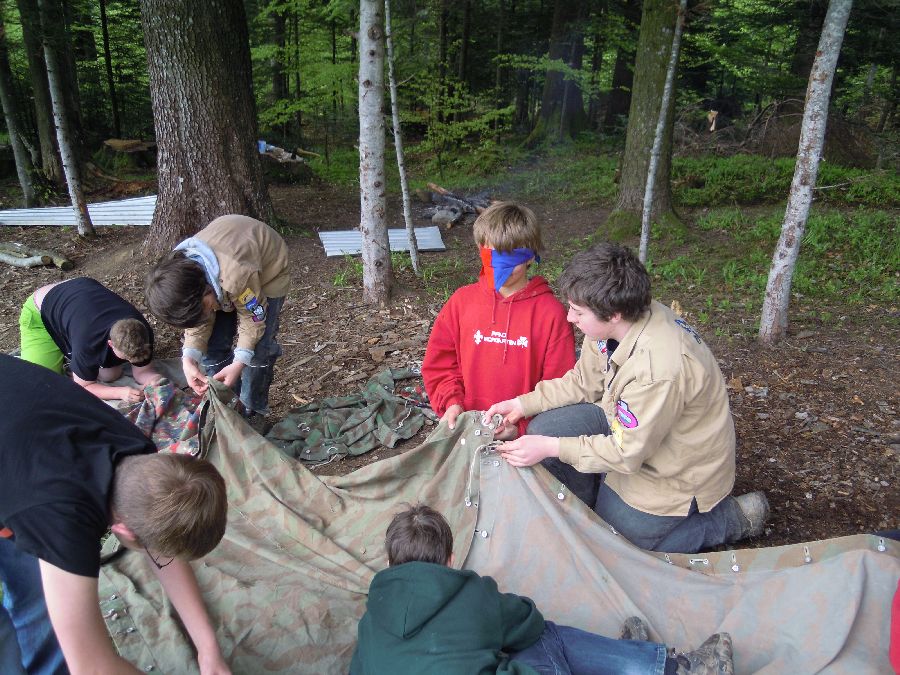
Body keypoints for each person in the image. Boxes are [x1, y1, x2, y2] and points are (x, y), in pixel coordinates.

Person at [485, 243, 769, 554]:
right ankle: (595, 506)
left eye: (578, 312)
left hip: (676, 471)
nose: (569, 318)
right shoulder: (610, 324)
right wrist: (521, 404)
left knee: (616, 547)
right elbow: (584, 381)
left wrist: (552, 448)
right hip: (631, 425)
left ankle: (730, 519)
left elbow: (627, 453)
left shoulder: (657, 368)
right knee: (546, 428)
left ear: (613, 314)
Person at [0, 354, 230, 675]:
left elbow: (160, 545)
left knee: (42, 601)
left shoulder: (138, 454)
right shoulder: (62, 524)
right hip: (29, 474)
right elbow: (92, 668)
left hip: (18, 430)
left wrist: (208, 648)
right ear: (123, 529)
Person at [350, 504, 733, 675]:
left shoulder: (371, 622)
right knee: (543, 636)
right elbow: (528, 622)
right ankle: (673, 668)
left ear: (390, 562)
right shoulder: (471, 595)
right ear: (451, 559)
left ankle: (625, 659)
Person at [422, 202, 575, 438]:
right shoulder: (461, 302)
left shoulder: (551, 314)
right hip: (466, 430)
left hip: (525, 441)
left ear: (530, 257)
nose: (500, 266)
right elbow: (440, 364)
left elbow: (560, 386)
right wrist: (451, 403)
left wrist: (520, 428)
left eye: (511, 256)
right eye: (491, 255)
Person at [144, 214, 290, 423]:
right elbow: (196, 320)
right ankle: (228, 404)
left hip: (268, 267)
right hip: (221, 276)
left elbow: (254, 319)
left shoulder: (236, 277)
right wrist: (189, 357)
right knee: (212, 348)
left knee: (260, 350)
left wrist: (240, 361)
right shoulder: (179, 277)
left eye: (205, 309)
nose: (206, 315)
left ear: (205, 290)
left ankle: (253, 410)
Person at [19, 277, 160, 403]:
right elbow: (83, 386)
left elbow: (142, 371)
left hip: (77, 296)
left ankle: (75, 360)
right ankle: (68, 356)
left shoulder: (141, 331)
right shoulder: (88, 343)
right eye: (127, 358)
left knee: (111, 375)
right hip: (41, 312)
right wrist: (120, 393)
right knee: (42, 384)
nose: (132, 361)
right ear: (110, 343)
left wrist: (154, 380)